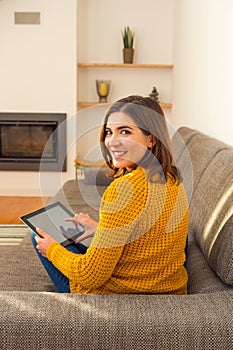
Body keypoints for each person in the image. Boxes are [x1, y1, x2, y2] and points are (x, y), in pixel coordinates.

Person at [31, 95, 189, 295]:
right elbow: (148, 237)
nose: (112, 142)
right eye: (109, 132)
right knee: (55, 228)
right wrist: (100, 230)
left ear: (151, 139)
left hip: (121, 294)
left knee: (37, 232)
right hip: (168, 287)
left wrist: (52, 250)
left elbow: (92, 275)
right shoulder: (171, 177)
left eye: (125, 131)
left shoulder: (124, 189)